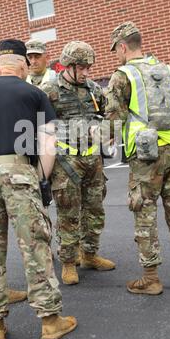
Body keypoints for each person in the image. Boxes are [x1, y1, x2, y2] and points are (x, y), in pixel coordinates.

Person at [0, 39, 77, 339]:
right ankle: (50, 321)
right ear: (23, 65)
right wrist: (40, 178)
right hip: (19, 171)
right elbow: (48, 141)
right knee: (34, 246)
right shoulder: (34, 93)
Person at [106, 21, 170, 295]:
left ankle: (150, 277)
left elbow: (113, 119)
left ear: (123, 47)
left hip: (144, 156)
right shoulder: (167, 70)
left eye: (116, 50)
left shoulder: (122, 75)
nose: (116, 55)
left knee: (144, 212)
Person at [41, 41, 115, 285]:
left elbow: (107, 115)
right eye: (81, 67)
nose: (86, 72)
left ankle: (90, 254)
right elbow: (40, 127)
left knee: (95, 209)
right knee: (68, 213)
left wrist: (104, 131)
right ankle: (69, 262)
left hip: (93, 159)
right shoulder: (49, 90)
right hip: (65, 161)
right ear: (68, 66)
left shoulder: (93, 89)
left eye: (88, 68)